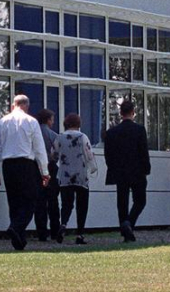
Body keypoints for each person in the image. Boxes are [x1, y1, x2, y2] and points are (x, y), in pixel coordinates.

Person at [0, 94, 49, 251]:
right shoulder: (31, 121)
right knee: (30, 200)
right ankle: (16, 227)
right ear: (26, 106)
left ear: (13, 105)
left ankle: (19, 240)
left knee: (13, 201)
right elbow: (39, 149)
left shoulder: (2, 122)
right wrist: (45, 171)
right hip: (25, 164)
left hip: (8, 165)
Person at [102, 98, 150, 242]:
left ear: (120, 113)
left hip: (120, 172)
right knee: (140, 201)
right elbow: (143, 152)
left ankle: (125, 227)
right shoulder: (139, 130)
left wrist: (112, 168)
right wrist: (146, 168)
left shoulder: (111, 133)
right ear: (133, 113)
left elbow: (108, 154)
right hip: (137, 171)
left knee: (122, 202)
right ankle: (129, 223)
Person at [55, 112, 97, 244]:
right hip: (81, 176)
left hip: (65, 176)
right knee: (82, 205)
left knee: (66, 204)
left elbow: (54, 154)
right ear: (78, 124)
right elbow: (89, 154)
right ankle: (80, 234)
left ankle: (63, 225)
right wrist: (93, 168)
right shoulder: (82, 137)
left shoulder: (60, 137)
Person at [32, 109, 64, 243]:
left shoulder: (32, 132)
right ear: (48, 120)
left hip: (35, 167)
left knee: (39, 201)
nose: (53, 122)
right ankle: (55, 231)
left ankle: (41, 232)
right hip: (50, 167)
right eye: (52, 119)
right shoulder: (53, 135)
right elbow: (57, 153)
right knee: (53, 200)